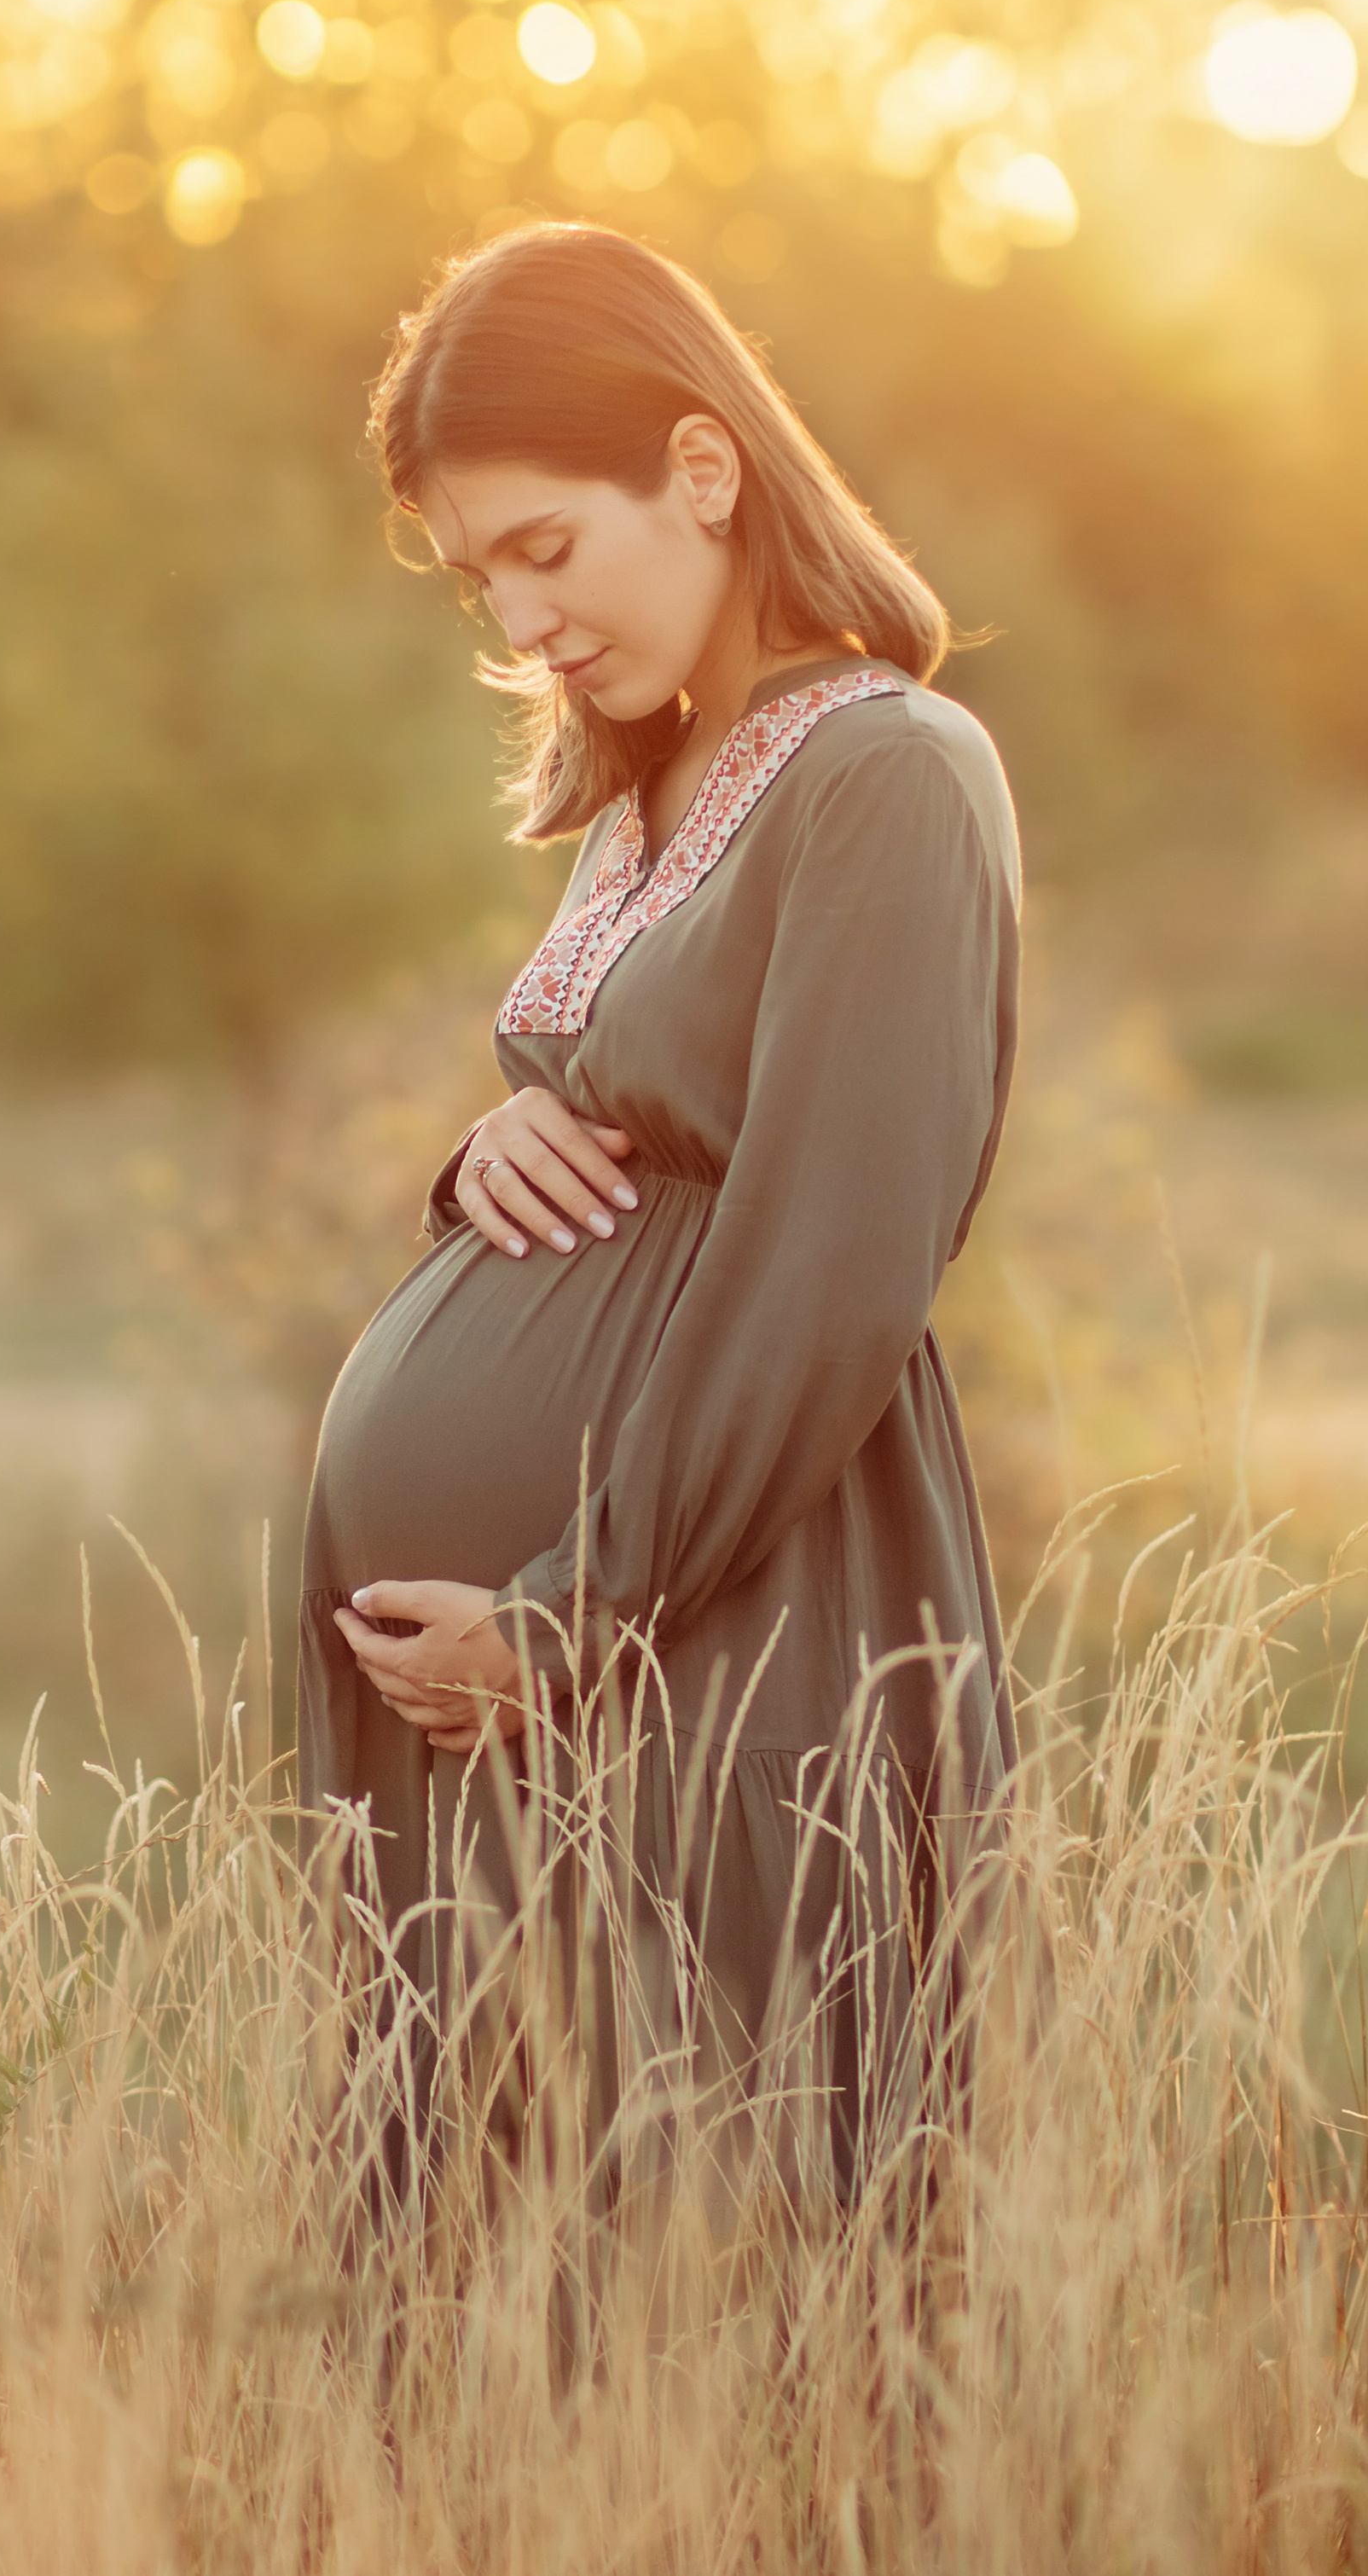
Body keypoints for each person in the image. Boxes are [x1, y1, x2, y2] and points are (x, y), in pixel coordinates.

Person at [297, 220, 1021, 2199]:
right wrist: (471, 1159)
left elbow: (833, 1260)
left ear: (701, 468)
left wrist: (568, 1617)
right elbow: (624, 1127)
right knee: (488, 2247)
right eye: (476, 576)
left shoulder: (884, 773)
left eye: (545, 545)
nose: (517, 617)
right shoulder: (653, 784)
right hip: (537, 1663)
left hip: (711, 1619)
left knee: (714, 2226)